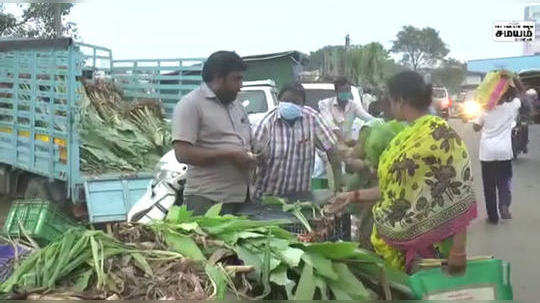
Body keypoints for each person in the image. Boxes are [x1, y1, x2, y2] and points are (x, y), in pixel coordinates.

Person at [327, 71, 477, 274]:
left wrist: (459, 250)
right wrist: (352, 196)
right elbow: (393, 190)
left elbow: (460, 194)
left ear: (401, 100)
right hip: (398, 248)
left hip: (433, 250)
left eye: (390, 98)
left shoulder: (441, 136)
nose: (388, 103)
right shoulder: (405, 136)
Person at [172, 51, 256, 215]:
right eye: (236, 79)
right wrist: (230, 155)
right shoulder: (190, 104)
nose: (241, 85)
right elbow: (182, 154)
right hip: (207, 201)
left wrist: (253, 156)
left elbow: (246, 143)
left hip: (241, 198)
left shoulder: (237, 106)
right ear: (218, 78)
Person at [253, 82, 342, 201]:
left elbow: (332, 150)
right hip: (269, 196)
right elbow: (252, 161)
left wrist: (338, 187)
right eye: (286, 100)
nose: (290, 105)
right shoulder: (266, 123)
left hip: (301, 196)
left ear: (302, 104)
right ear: (279, 100)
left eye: (295, 102)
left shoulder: (312, 118)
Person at [473, 83, 521, 223]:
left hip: (487, 153)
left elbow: (476, 127)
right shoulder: (511, 107)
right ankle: (504, 205)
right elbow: (521, 94)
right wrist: (512, 80)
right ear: (506, 95)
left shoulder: (484, 110)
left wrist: (481, 121)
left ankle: (493, 217)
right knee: (504, 181)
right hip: (504, 153)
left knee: (489, 186)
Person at [318, 77, 375, 145]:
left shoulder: (353, 105)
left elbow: (368, 118)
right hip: (329, 145)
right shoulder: (325, 104)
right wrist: (344, 140)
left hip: (347, 146)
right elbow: (329, 124)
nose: (345, 93)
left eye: (347, 90)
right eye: (342, 91)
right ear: (336, 91)